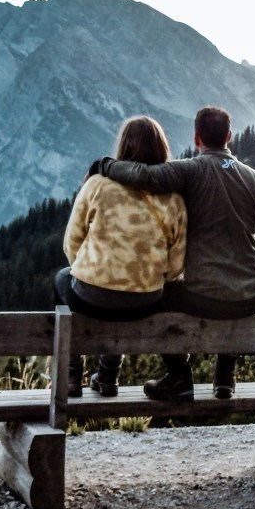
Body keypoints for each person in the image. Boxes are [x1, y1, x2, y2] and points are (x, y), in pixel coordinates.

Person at [95, 105, 255, 401]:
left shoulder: (190, 171)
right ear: (229, 136)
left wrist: (104, 165)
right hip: (249, 298)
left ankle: (179, 376)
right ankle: (225, 376)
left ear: (196, 138)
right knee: (228, 293)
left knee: (158, 294)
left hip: (202, 296)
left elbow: (142, 174)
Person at [55, 115, 187, 398]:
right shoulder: (173, 197)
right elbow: (176, 266)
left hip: (91, 296)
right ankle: (107, 377)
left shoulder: (97, 185)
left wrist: (92, 271)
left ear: (124, 146)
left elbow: (72, 244)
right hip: (146, 301)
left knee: (62, 280)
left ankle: (71, 376)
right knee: (124, 300)